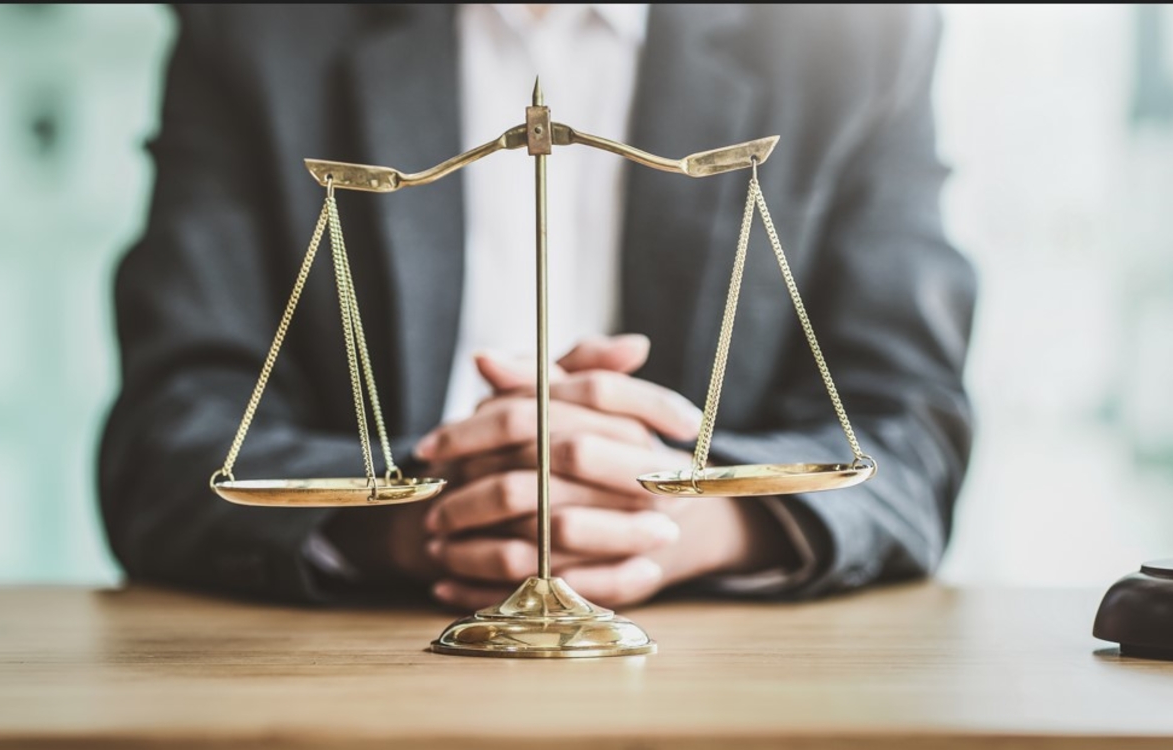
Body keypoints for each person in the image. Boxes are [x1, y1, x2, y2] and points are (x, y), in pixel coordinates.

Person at [97, 4, 976, 608]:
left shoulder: (853, 33)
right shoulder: (256, 27)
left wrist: (682, 518)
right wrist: (432, 511)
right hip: (364, 676)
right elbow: (165, 443)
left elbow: (911, 439)